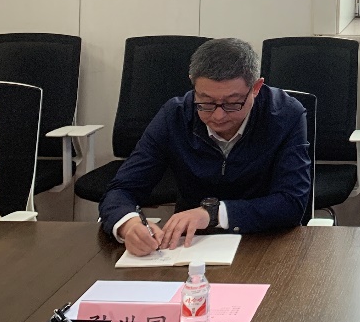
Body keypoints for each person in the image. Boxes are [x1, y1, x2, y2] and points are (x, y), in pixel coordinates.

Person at [100, 37, 312, 255]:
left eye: (232, 103)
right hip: (190, 245)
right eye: (206, 102)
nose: (218, 116)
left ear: (256, 88)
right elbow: (122, 189)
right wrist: (129, 225)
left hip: (265, 242)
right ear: (193, 85)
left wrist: (212, 214)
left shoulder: (285, 115)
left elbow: (291, 203)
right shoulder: (175, 116)